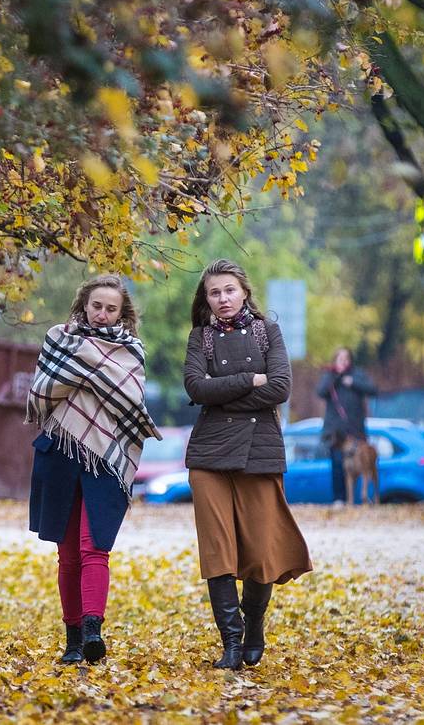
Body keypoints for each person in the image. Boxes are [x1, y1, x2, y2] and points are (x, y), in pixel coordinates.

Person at [182, 259, 312, 670]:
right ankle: (232, 643)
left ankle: (254, 622)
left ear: (244, 292)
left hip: (260, 451)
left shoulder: (266, 331)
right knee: (217, 550)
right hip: (209, 455)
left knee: (261, 551)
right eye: (214, 293)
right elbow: (194, 387)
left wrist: (221, 394)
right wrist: (248, 381)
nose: (223, 299)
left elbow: (280, 388)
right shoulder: (199, 337)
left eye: (229, 291)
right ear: (206, 299)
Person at [26, 274, 162, 664]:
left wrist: (85, 378)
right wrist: (91, 376)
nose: (102, 314)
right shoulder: (59, 339)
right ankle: (71, 641)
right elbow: (41, 392)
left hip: (107, 456)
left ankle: (92, 632)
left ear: (123, 312)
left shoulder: (131, 351)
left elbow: (131, 402)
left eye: (111, 308)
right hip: (60, 453)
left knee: (95, 548)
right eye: (97, 306)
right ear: (84, 304)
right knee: (67, 554)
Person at [316, 347, 378, 501]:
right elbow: (321, 392)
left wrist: (353, 383)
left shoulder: (358, 375)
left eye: (346, 358)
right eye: (340, 358)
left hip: (356, 431)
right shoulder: (329, 376)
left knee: (360, 465)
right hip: (336, 433)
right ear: (335, 360)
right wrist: (336, 377)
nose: (343, 361)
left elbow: (373, 390)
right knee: (338, 465)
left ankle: (359, 497)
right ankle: (340, 499)